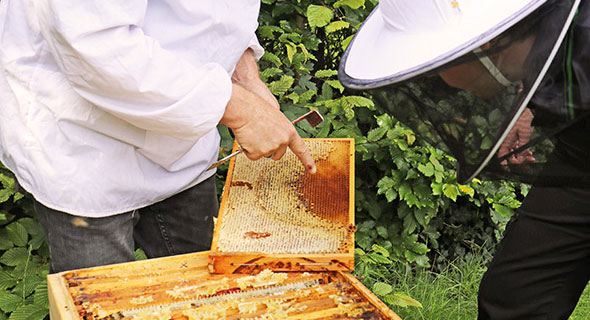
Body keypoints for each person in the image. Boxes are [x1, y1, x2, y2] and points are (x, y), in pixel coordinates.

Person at [0, 0, 316, 273]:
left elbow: (215, 11)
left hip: (185, 138)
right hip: (82, 141)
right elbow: (95, 43)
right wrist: (238, 108)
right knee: (104, 303)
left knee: (202, 296)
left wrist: (243, 72)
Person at [339, 0, 590, 319]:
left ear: (481, 44)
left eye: (434, 62)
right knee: (513, 296)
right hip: (579, 160)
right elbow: (547, 42)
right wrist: (529, 103)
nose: (433, 78)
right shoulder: (537, 33)